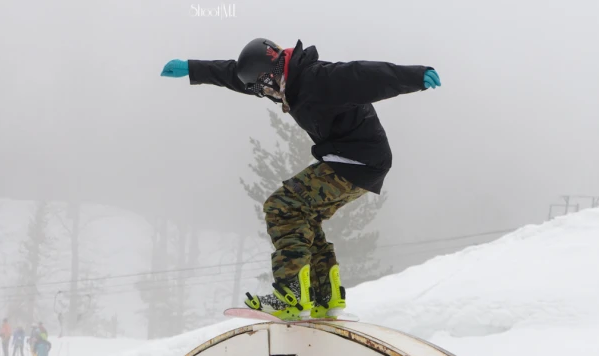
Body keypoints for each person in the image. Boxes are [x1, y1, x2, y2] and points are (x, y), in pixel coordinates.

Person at [161, 39, 440, 320]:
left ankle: (290, 295)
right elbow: (235, 75)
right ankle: (325, 296)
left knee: (281, 207)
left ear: (272, 73)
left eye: (262, 85)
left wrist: (415, 76)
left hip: (357, 159)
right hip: (355, 160)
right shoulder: (281, 81)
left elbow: (365, 75)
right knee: (304, 217)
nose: (262, 93)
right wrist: (192, 69)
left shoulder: (319, 79)